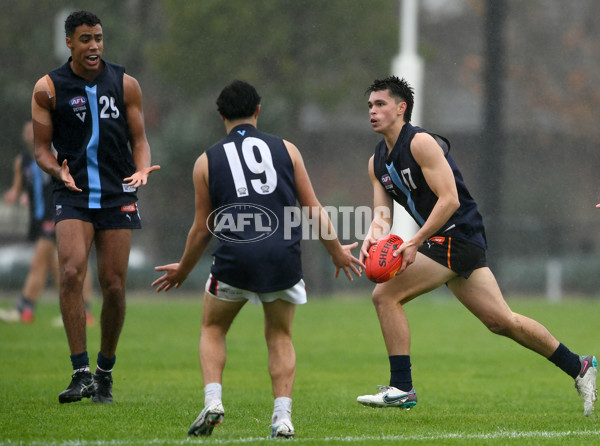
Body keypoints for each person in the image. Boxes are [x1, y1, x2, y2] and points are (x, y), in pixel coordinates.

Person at [356, 76, 597, 416]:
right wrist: (373, 235)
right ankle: (579, 366)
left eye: (380, 104)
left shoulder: (421, 143)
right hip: (446, 239)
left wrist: (415, 241)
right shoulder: (376, 162)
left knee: (385, 295)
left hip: (456, 234)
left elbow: (450, 200)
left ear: (401, 108)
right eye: (369, 106)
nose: (372, 111)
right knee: (502, 321)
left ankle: (402, 387)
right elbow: (382, 216)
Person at [152, 80, 363, 438]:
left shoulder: (205, 161)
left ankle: (213, 401)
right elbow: (312, 209)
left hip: (235, 257)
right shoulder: (287, 150)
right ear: (258, 111)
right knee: (279, 335)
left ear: (222, 116)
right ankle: (282, 418)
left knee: (212, 328)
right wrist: (337, 252)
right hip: (282, 256)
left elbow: (201, 230)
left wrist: (183, 270)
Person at [31, 10, 159, 404]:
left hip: (118, 192)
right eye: (86, 39)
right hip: (73, 192)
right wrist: (58, 170)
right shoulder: (48, 88)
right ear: (69, 42)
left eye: (99, 38)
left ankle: (104, 372)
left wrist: (141, 169)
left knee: (115, 286)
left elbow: (139, 138)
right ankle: (80, 371)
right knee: (70, 272)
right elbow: (40, 150)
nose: (94, 46)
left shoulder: (125, 84)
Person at [0, 121, 94, 326]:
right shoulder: (23, 161)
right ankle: (74, 310)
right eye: (27, 131)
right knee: (58, 266)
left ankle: (24, 307)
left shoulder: (56, 155)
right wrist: (17, 195)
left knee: (42, 262)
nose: (29, 134)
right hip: (38, 218)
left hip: (56, 214)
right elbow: (19, 188)